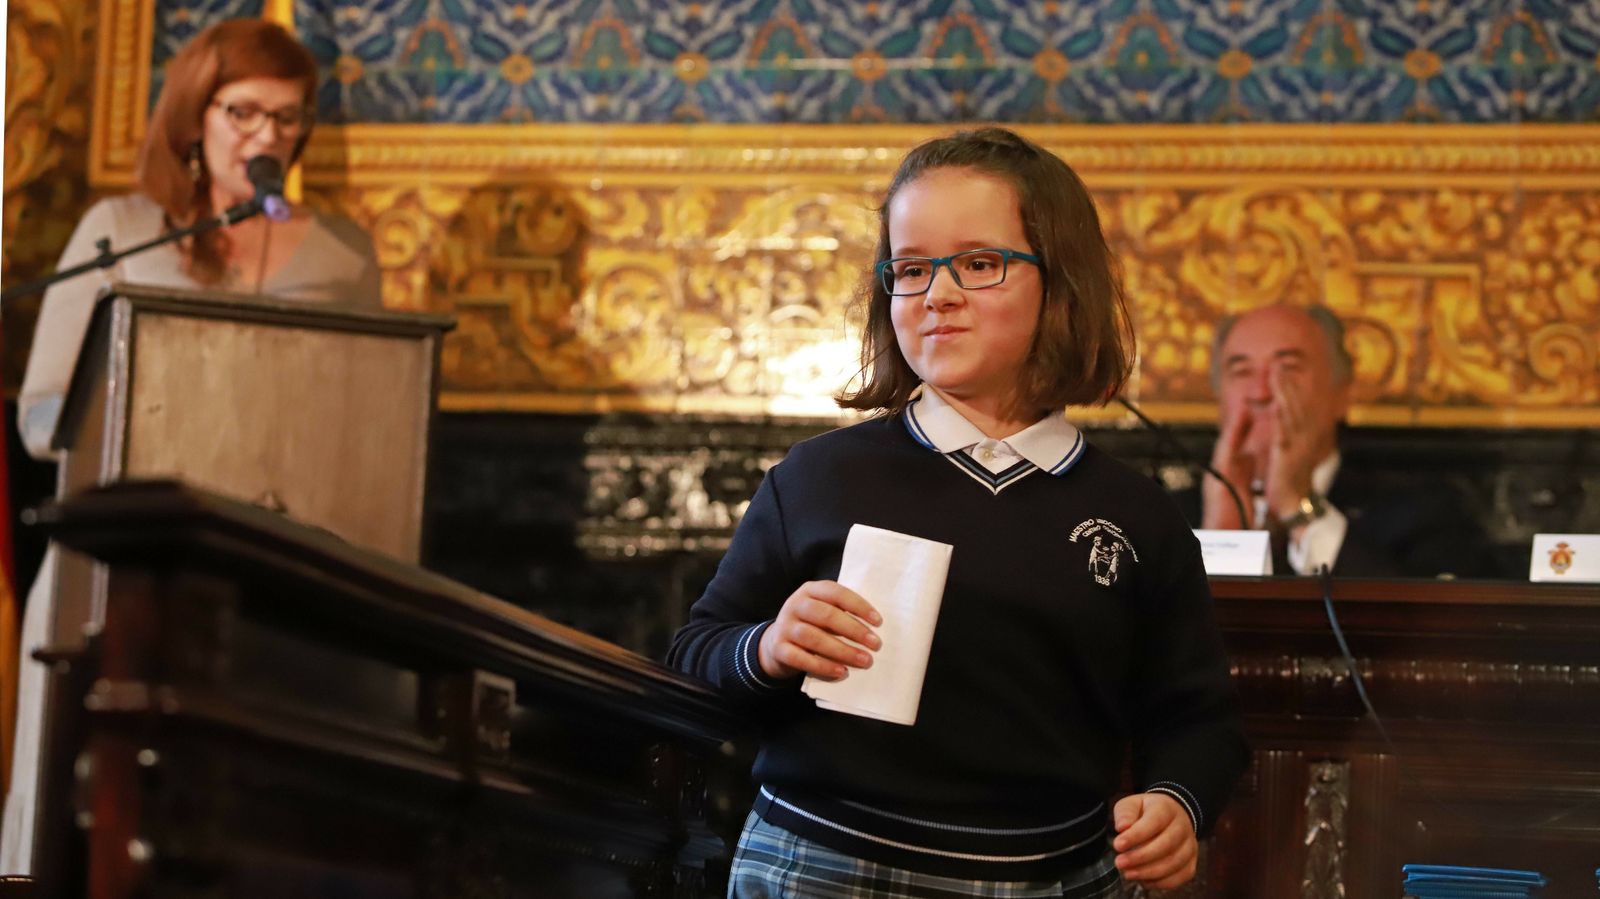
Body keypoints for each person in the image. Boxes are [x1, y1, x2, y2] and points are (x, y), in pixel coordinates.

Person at [668, 127, 1247, 898]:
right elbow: (694, 654)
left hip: (1057, 879)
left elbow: (1198, 718)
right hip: (824, 867)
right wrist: (769, 646)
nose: (938, 293)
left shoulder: (1135, 517)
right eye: (911, 269)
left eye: (979, 264)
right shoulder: (819, 477)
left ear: (1062, 283)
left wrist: (1180, 802)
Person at [3, 17, 382, 873]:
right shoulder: (123, 231)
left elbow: (365, 418)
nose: (267, 138)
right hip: (115, 565)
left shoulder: (341, 253)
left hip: (271, 568)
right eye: (244, 113)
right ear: (192, 116)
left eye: (287, 120)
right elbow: (40, 415)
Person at [1188, 303, 1492, 578]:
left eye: (1288, 369)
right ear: (1218, 396)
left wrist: (1299, 508)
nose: (1262, 393)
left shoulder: (1422, 514)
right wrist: (1220, 539)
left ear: (1342, 393)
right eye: (1241, 371)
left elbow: (1417, 625)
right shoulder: (1168, 516)